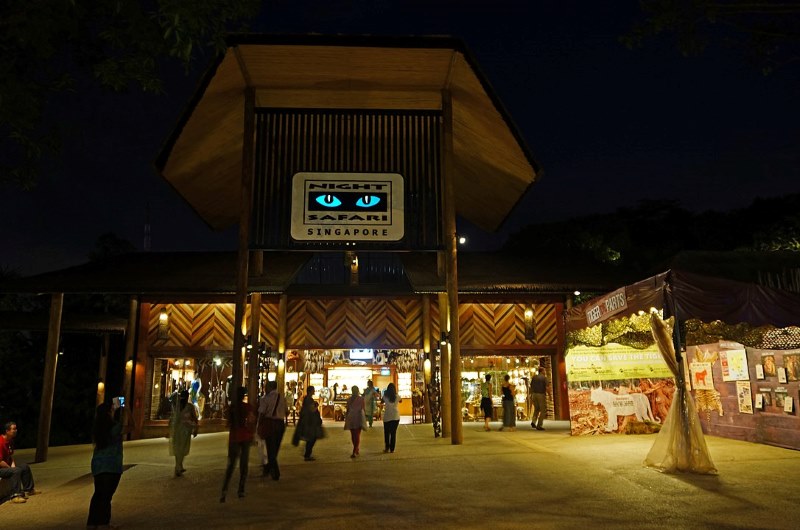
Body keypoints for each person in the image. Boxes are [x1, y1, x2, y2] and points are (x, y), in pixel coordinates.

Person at [86, 399, 128, 529]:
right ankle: (104, 523)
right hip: (112, 464)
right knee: (107, 496)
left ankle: (92, 523)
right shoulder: (115, 427)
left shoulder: (97, 429)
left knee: (98, 494)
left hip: (98, 465)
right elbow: (132, 426)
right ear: (109, 413)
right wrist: (128, 410)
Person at [220, 386, 255, 502]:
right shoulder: (247, 407)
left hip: (234, 437)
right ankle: (241, 489)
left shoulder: (232, 408)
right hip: (245, 436)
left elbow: (227, 423)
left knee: (231, 465)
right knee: (243, 465)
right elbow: (251, 421)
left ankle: (224, 489)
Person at [0, 421, 39, 504]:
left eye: (16, 429)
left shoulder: (10, 441)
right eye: (13, 429)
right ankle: (15, 496)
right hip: (0, 468)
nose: (16, 430)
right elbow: (0, 461)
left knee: (24, 466)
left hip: (5, 467)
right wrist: (11, 468)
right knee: (16, 471)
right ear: (7, 431)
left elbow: (10, 456)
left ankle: (29, 489)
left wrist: (13, 465)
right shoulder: (0, 442)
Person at [257, 380, 288, 480]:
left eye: (266, 387)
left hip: (270, 423)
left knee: (270, 449)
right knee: (275, 449)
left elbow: (261, 412)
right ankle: (269, 470)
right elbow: (287, 412)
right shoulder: (282, 398)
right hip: (280, 424)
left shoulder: (265, 399)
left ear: (269, 387)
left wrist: (259, 425)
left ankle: (275, 472)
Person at [169, 389, 199, 477]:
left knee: (181, 449)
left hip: (184, 430)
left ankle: (179, 465)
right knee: (179, 448)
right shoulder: (179, 406)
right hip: (180, 430)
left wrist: (195, 428)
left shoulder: (187, 406)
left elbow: (194, 418)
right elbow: (173, 418)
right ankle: (178, 466)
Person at [292, 386, 322, 461]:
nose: (314, 391)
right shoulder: (308, 399)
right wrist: (316, 406)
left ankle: (307, 454)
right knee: (312, 438)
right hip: (309, 422)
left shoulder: (307, 399)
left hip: (308, 421)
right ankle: (307, 454)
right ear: (311, 391)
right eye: (313, 390)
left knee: (311, 438)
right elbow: (311, 410)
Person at [344, 385, 365, 458]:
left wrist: (346, 418)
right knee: (357, 434)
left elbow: (347, 409)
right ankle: (355, 450)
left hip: (351, 418)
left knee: (353, 434)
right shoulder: (361, 399)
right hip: (358, 417)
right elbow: (363, 409)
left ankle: (355, 448)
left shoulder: (349, 399)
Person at [381, 383, 401, 453]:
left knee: (386, 433)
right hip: (395, 416)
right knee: (393, 433)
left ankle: (387, 447)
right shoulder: (397, 396)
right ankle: (392, 449)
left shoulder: (385, 396)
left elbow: (381, 402)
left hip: (387, 416)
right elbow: (401, 401)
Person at [531, 366, 547, 431]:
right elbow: (547, 387)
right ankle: (539, 425)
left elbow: (531, 386)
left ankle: (533, 422)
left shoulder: (534, 377)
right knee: (543, 410)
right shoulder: (544, 378)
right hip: (541, 394)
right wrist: (550, 396)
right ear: (541, 371)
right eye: (544, 371)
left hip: (534, 394)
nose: (545, 372)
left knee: (536, 409)